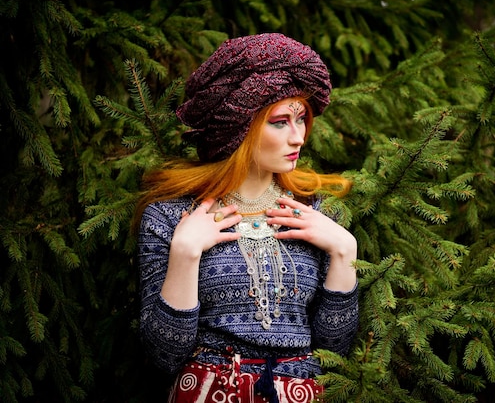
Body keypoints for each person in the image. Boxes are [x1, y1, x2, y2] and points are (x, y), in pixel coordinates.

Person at [136, 33, 359, 403]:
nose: (298, 137)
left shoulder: (316, 213)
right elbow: (163, 357)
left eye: (301, 119)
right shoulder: (169, 216)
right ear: (239, 127)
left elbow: (335, 351)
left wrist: (344, 252)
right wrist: (185, 253)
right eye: (279, 122)